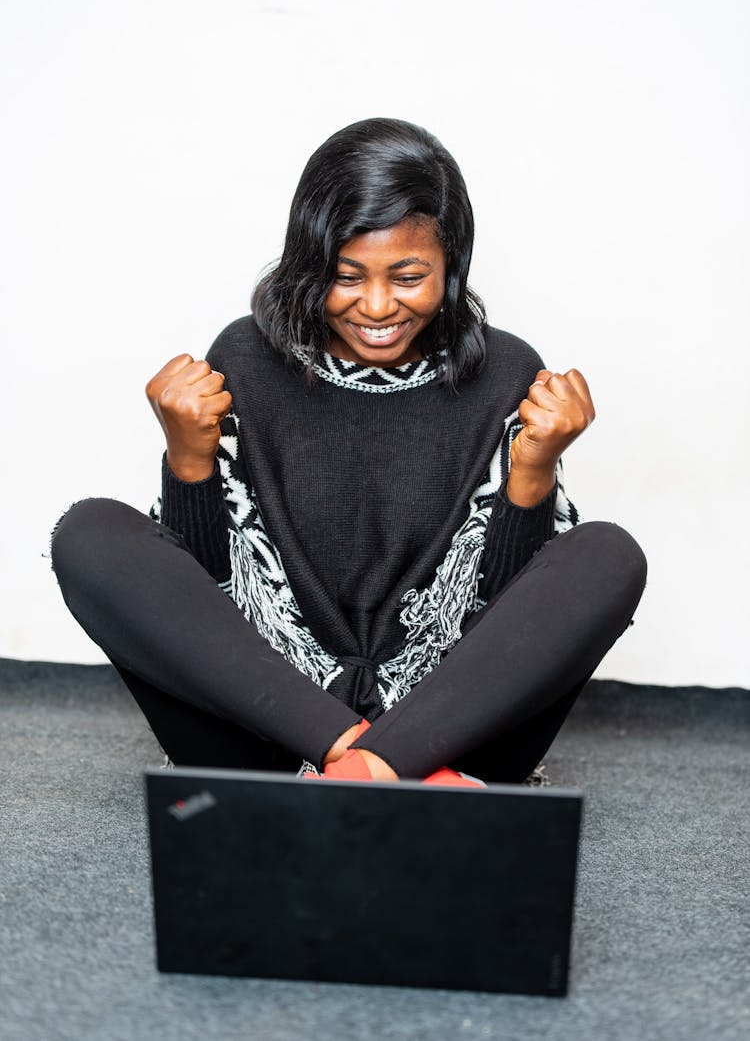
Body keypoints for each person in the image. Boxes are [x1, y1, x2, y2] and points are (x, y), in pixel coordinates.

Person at [51, 117, 647, 787]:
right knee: (87, 532)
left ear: (450, 264)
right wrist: (188, 461)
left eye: (408, 275)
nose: (376, 304)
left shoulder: (507, 373)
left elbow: (502, 622)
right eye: (346, 276)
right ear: (310, 266)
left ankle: (370, 768)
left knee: (609, 553)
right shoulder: (245, 360)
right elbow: (208, 600)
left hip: (449, 735)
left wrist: (532, 472)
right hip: (266, 735)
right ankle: (364, 766)